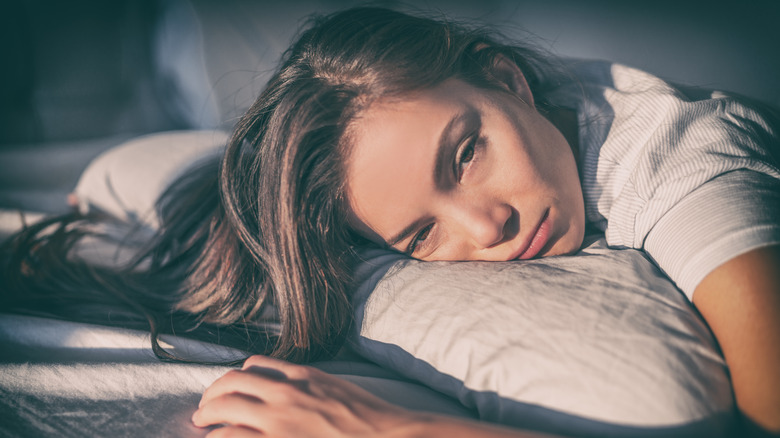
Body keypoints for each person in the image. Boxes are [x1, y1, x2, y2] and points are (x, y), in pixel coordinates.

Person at [3, 6, 779, 437]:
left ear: (506, 77)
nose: (486, 227)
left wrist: (390, 430)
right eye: (418, 237)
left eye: (466, 155)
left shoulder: (689, 158)